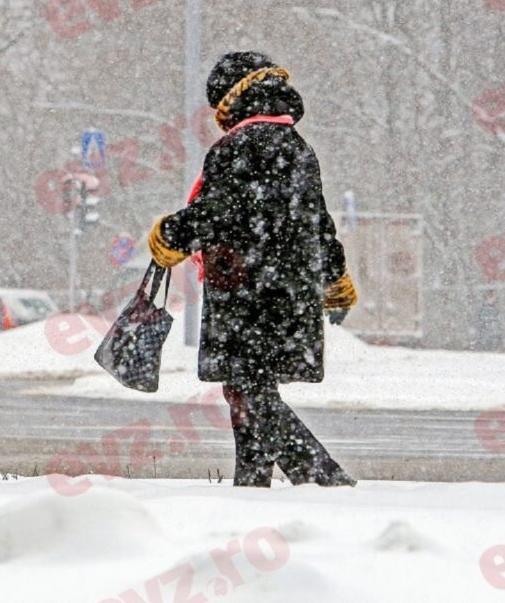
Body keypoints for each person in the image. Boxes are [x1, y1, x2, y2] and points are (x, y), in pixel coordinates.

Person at [146, 51, 357, 487]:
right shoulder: (297, 146)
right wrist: (334, 276)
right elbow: (319, 220)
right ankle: (252, 483)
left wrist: (171, 234)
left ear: (230, 99)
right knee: (249, 387)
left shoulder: (238, 146)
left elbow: (218, 213)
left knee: (250, 390)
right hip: (288, 290)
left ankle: (323, 478)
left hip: (248, 292)